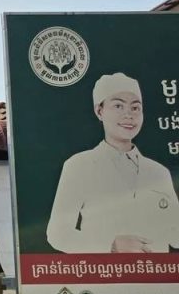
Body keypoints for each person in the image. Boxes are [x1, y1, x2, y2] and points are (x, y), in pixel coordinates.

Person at [47, 72, 179, 253]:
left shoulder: (159, 172)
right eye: (118, 106)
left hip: (155, 270)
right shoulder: (78, 166)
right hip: (107, 270)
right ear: (99, 111)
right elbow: (58, 234)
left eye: (135, 108)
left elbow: (175, 234)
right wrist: (111, 245)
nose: (129, 115)